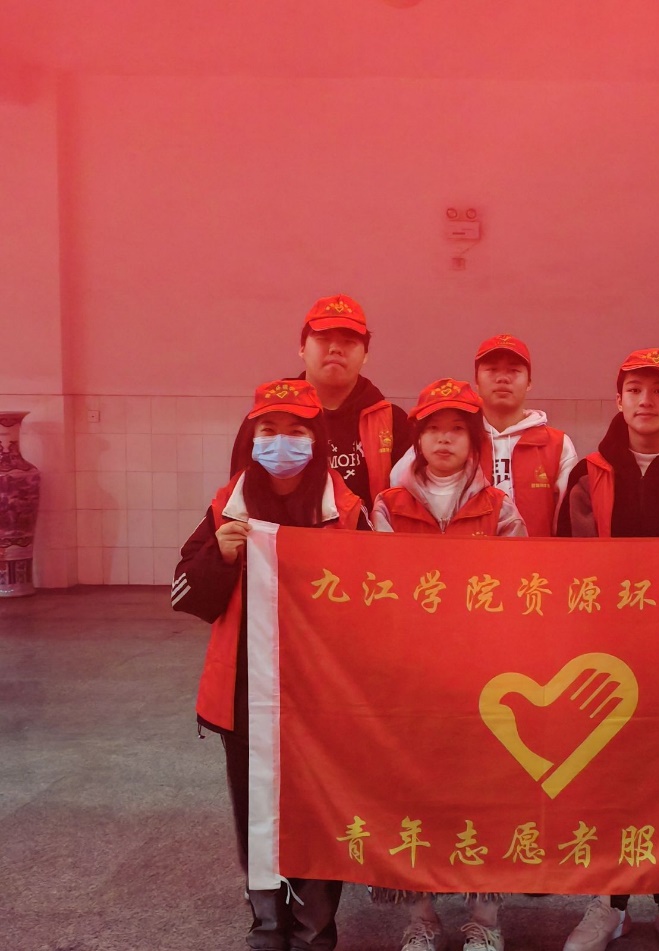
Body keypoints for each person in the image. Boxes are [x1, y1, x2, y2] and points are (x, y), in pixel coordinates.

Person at [172, 379, 367, 951]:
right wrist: (221, 555)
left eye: (297, 431)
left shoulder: (349, 511)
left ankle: (314, 929)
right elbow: (186, 594)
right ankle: (266, 925)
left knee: (318, 809)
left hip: (324, 692)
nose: (282, 442)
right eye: (269, 430)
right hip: (246, 690)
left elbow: (378, 600)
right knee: (256, 805)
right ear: (250, 438)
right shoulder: (226, 507)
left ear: (317, 440)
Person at [558, 347, 659, 951]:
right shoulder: (588, 472)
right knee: (609, 775)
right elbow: (567, 565)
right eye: (635, 390)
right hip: (606, 651)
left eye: (658, 391)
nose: (645, 401)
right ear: (618, 400)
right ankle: (609, 903)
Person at [370, 377, 523, 951]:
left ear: (474, 440)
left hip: (483, 671)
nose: (443, 439)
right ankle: (420, 918)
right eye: (433, 428)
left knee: (484, 793)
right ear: (417, 439)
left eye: (457, 429)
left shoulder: (500, 507)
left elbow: (521, 587)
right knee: (412, 791)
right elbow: (379, 587)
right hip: (411, 671)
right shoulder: (387, 506)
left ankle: (485, 918)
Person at [230, 294, 411, 512]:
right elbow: (239, 494)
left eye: (349, 342)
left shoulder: (393, 422)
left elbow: (407, 506)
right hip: (278, 534)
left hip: (367, 533)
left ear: (365, 355)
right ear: (302, 348)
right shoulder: (265, 416)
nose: (335, 349)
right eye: (323, 339)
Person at [389, 334, 577, 536]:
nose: (502, 378)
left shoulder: (557, 444)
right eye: (492, 369)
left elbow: (567, 525)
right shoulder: (453, 439)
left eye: (514, 370)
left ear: (529, 382)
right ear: (476, 381)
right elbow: (400, 493)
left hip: (536, 556)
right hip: (463, 555)